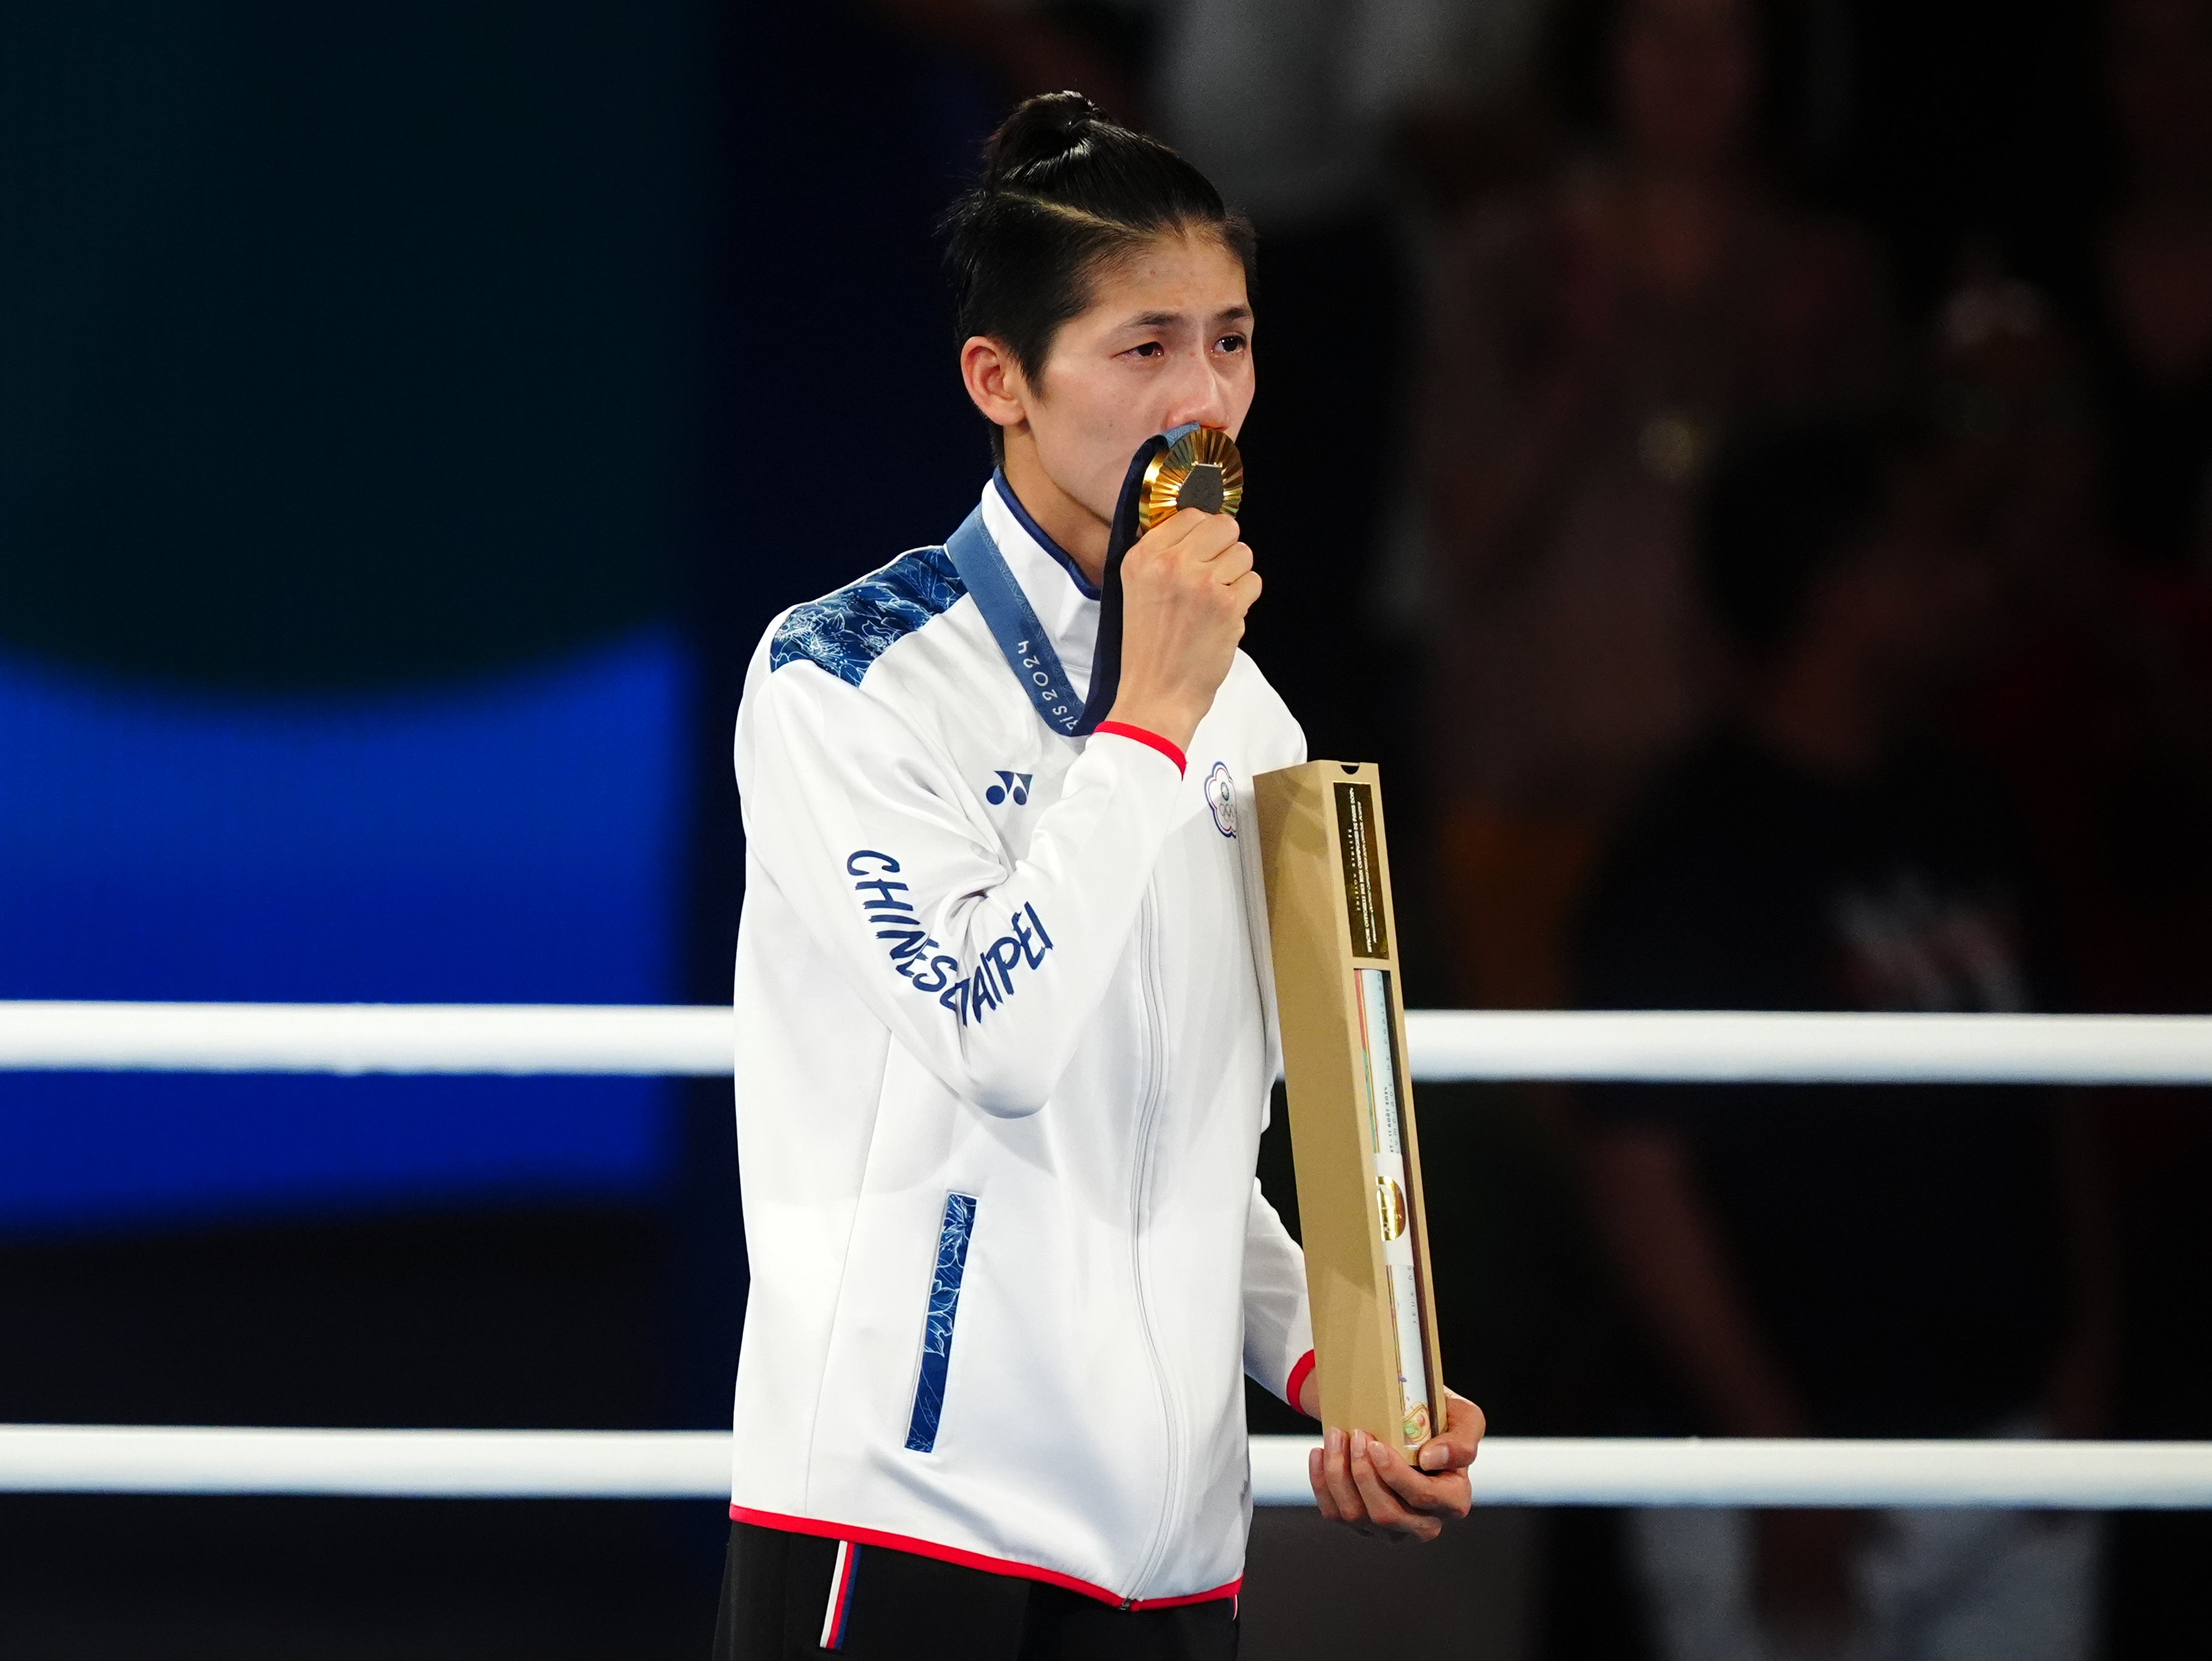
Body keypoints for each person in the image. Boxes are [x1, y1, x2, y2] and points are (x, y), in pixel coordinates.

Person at [719, 94, 1481, 1660]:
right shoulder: (845, 675)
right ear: (1001, 379)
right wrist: (1143, 726)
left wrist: (1338, 1364)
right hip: (905, 1510)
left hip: (1171, 1544)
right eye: (1145, 348)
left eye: (1233, 340)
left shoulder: (1254, 717)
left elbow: (1198, 1159)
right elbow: (998, 1043)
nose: (1204, 399)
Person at [1574, 417, 2113, 1661]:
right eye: (1932, 547)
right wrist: (1784, 1456)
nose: (1971, 580)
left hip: (2011, 1438)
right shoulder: (1684, 856)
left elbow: (2062, 1093)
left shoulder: (1973, 803)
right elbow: (1636, 1180)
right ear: (1844, 586)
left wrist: (2086, 1350)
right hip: (1789, 1464)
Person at [1421, 0, 1890, 1011]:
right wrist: (1567, 379)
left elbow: (1862, 575)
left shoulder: (1824, 281)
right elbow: (1463, 539)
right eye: (1655, 32)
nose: (1689, 66)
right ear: (1601, 50)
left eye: (1725, 34)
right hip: (1526, 797)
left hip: (1752, 821)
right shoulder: (1506, 262)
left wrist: (1784, 385)